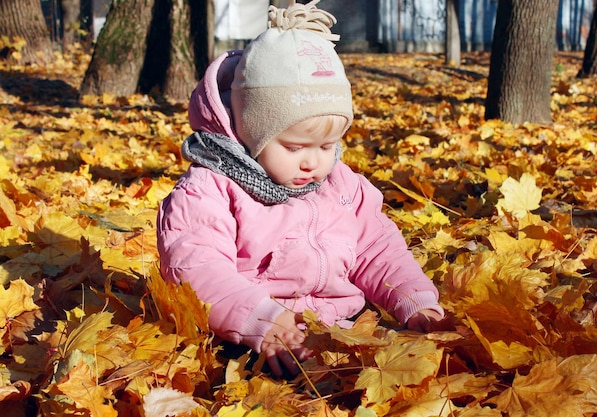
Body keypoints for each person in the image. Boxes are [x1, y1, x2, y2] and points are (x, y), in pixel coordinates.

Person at [157, 0, 445, 378]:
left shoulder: (342, 186)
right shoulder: (211, 189)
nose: (313, 162)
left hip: (342, 331)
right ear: (249, 133)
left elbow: (378, 251)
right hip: (252, 338)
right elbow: (196, 266)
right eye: (293, 148)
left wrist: (415, 302)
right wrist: (262, 319)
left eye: (327, 147)